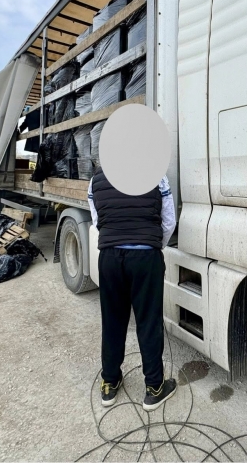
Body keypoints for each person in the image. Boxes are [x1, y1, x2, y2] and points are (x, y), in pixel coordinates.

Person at [87, 168, 177, 411]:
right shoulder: (157, 176)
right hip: (146, 258)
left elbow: (97, 221)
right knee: (148, 322)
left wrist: (116, 239)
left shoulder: (95, 181)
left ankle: (109, 384)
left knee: (112, 321)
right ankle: (154, 389)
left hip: (109, 258)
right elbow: (169, 221)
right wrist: (153, 245)